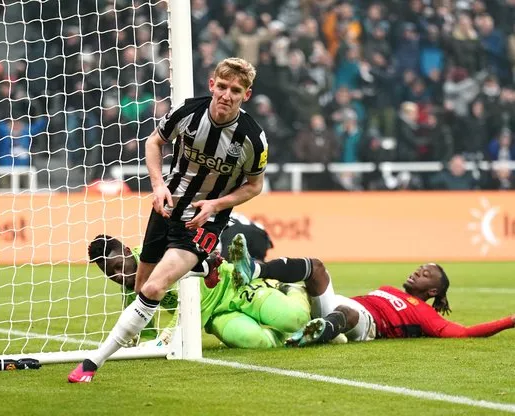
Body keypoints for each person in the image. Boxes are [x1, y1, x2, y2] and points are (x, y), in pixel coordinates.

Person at [69, 57, 269, 383]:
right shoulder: (188, 113)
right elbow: (153, 142)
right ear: (212, 85)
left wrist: (216, 204)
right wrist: (158, 185)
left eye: (236, 90)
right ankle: (204, 269)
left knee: (153, 287)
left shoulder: (252, 139)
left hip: (203, 222)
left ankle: (91, 363)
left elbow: (254, 186)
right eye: (222, 87)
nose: (227, 95)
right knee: (138, 285)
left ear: (246, 95)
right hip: (166, 208)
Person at [227, 234, 515, 346]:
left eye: (426, 274)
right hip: (339, 310)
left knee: (349, 311)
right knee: (315, 268)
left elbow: (465, 332)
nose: (417, 271)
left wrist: (510, 321)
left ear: (434, 291)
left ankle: (315, 333)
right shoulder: (389, 289)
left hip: (364, 325)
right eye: (420, 267)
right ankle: (255, 270)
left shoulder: (426, 316)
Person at [85, 234, 310, 350]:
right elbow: (144, 330)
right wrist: (143, 344)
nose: (118, 276)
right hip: (215, 316)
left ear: (126, 251)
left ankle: (292, 288)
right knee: (258, 342)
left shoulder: (159, 254)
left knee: (294, 319)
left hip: (231, 286)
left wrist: (167, 337)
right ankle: (290, 337)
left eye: (118, 267)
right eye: (110, 274)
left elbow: (191, 297)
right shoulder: (131, 289)